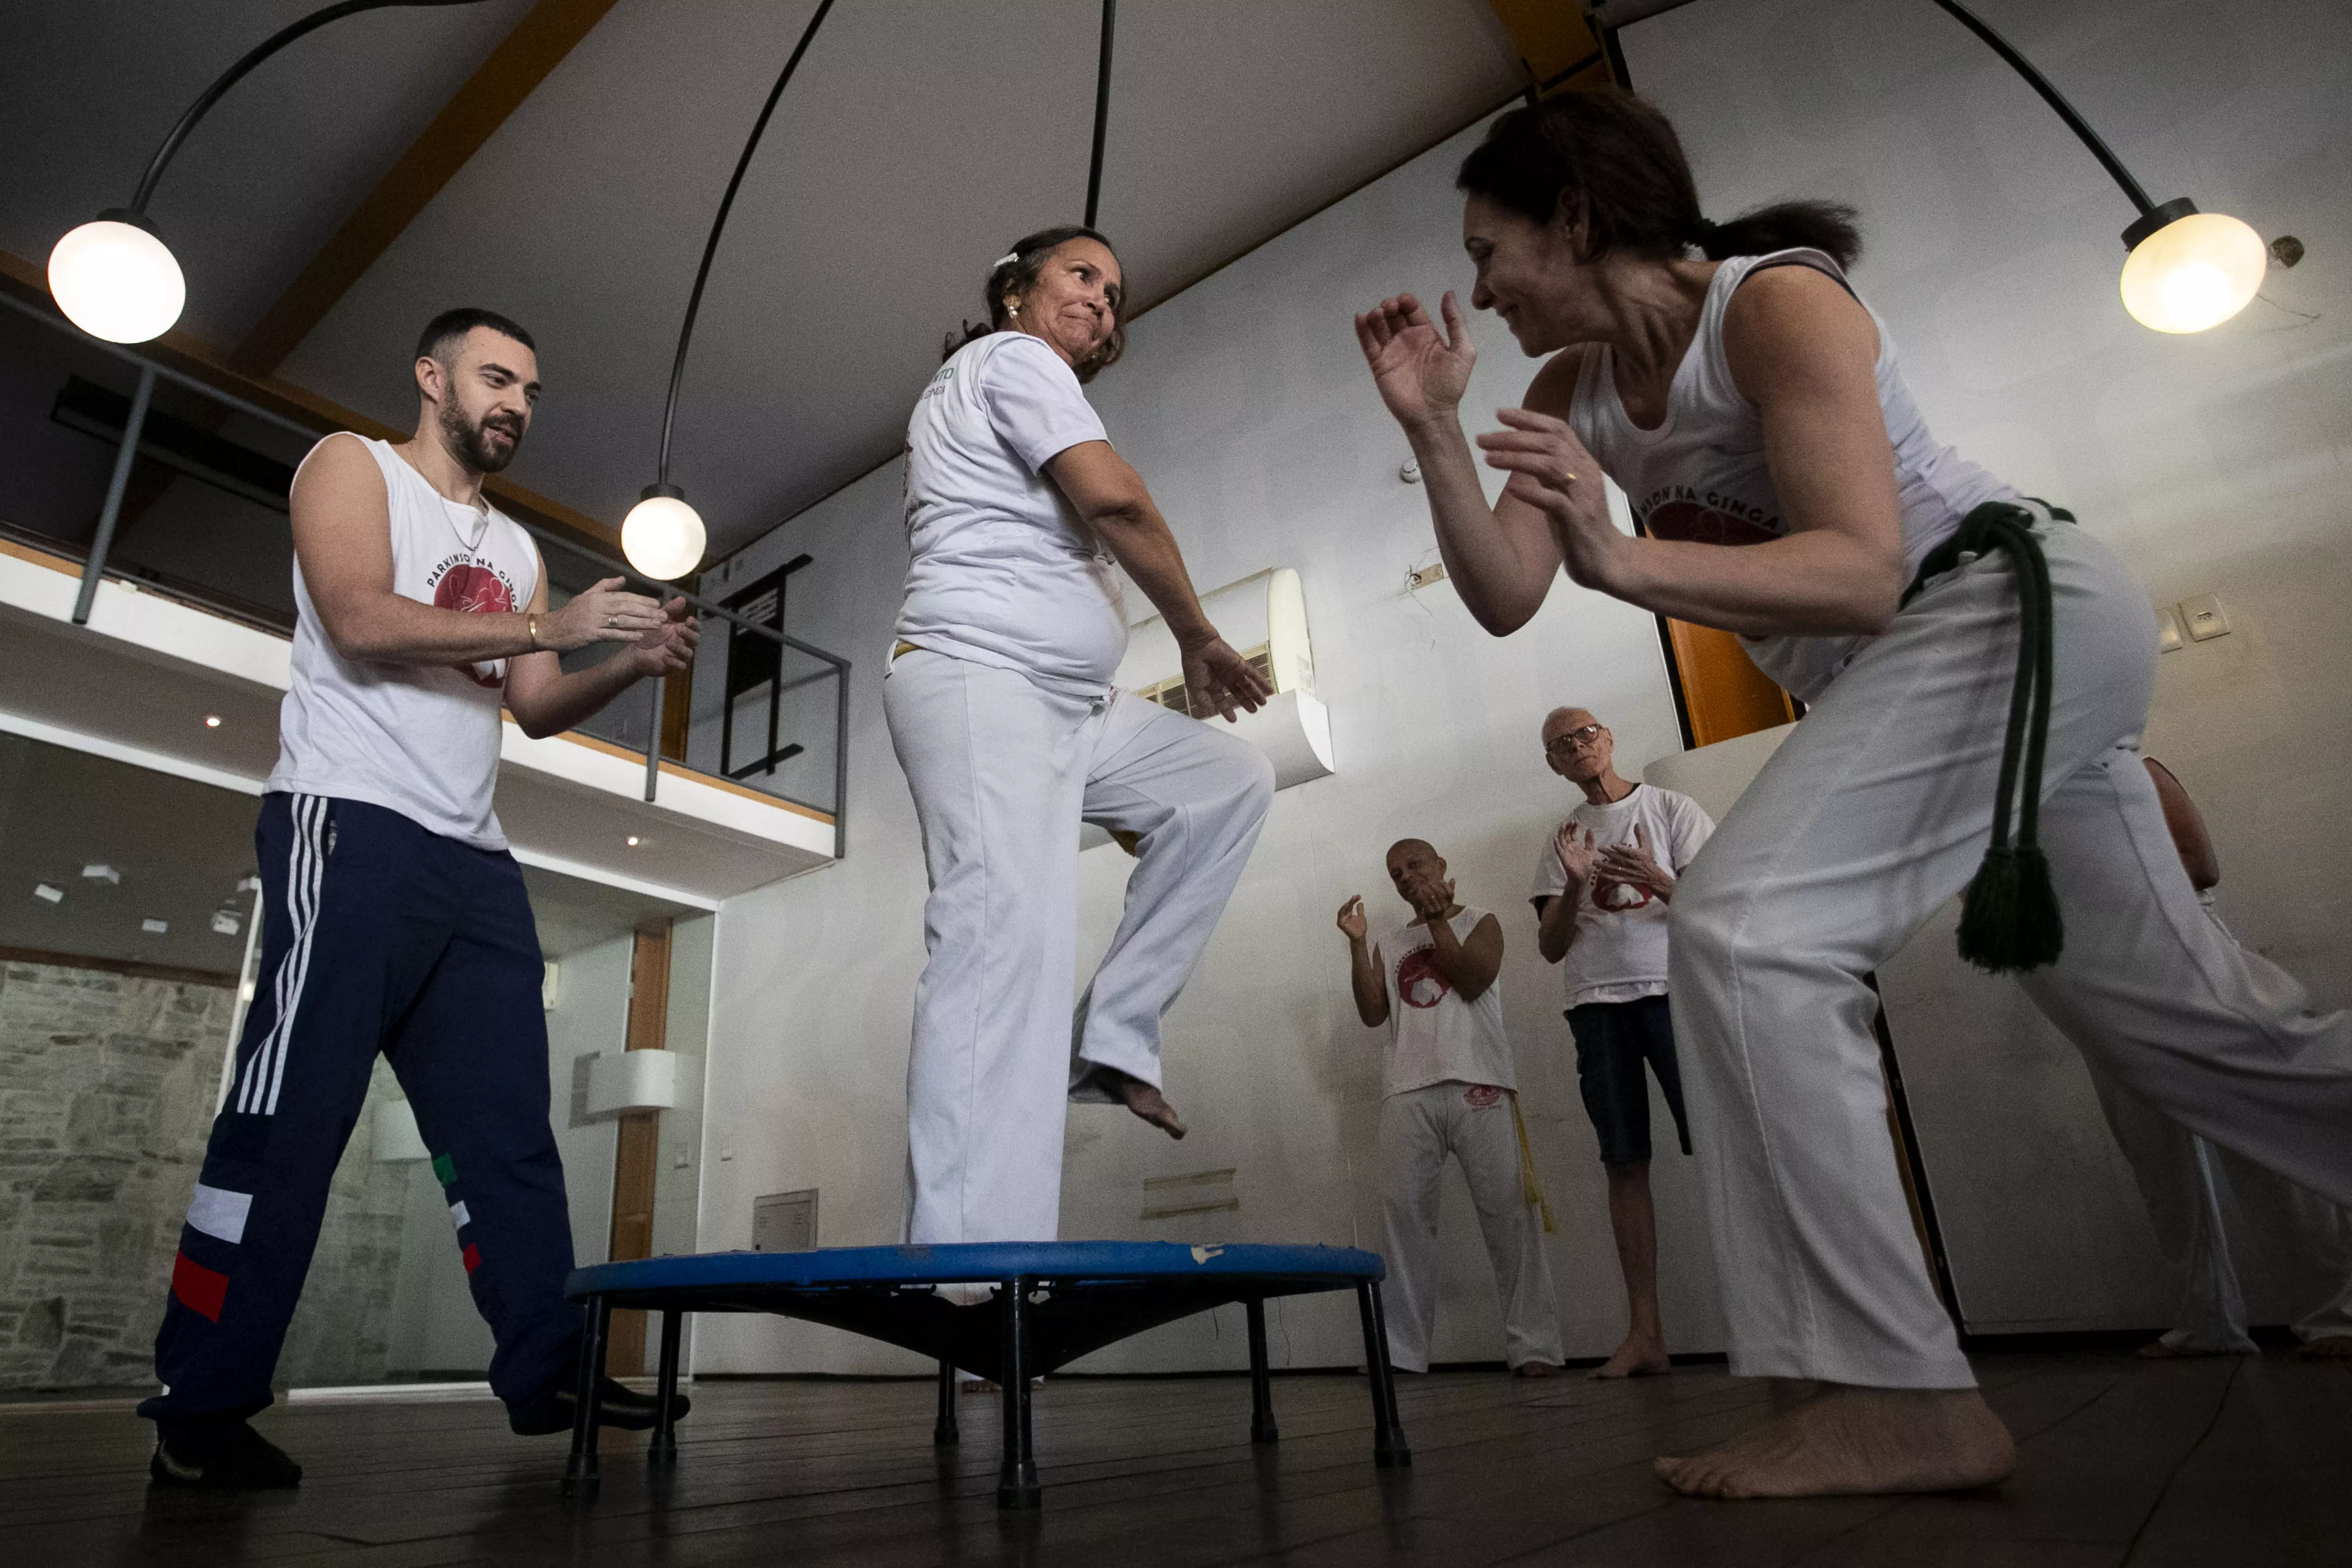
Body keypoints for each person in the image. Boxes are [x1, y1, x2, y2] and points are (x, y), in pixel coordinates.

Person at [1354, 88, 2352, 1499]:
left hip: (2001, 610)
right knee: (2185, 1035)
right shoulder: (1572, 391)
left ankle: (1895, 1395)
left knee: (1747, 931)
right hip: (1942, 669)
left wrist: (1625, 562)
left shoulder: (1770, 307)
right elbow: (1510, 593)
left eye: (1489, 248)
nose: (1475, 287)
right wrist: (1437, 433)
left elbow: (1860, 573)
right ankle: (1888, 1383)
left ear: (1574, 219)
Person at [142, 309, 699, 1488]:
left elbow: (534, 707)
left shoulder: (520, 546)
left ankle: (547, 1366)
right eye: (498, 378)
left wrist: (625, 665)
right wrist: (549, 622)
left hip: (473, 857)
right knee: (288, 1120)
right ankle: (202, 1400)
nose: (517, 405)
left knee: (506, 1135)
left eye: (533, 391)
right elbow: (356, 615)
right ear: (430, 374)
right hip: (346, 823)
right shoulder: (353, 465)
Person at [888, 226, 1276, 1246]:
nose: (1103, 302)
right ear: (1015, 290)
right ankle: (967, 1265)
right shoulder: (1008, 360)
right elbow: (1117, 499)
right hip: (985, 682)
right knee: (999, 945)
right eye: (1081, 276)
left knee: (1224, 780)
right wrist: (1195, 635)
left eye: (1113, 294)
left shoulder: (999, 386)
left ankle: (1114, 1037)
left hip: (1062, 701)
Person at [2087, 759, 2352, 1360]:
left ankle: (2338, 1316)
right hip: (2106, 986)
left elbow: (2201, 867)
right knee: (2161, 1169)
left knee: (2268, 1146)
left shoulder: (2131, 767)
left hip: (2184, 965)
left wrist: (2100, 895)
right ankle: (2206, 1324)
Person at [1529, 706, 1713, 1378]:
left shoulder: (1671, 808)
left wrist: (1658, 879)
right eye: (1562, 746)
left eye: (1586, 735)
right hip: (1597, 1006)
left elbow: (1719, 902)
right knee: (1624, 1163)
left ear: (1609, 738)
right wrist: (1577, 883)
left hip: (1675, 995)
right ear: (1554, 764)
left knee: (1721, 1146)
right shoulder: (1562, 838)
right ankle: (1646, 1336)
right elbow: (1551, 948)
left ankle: (1768, 1316)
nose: (1578, 748)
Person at [1339, 841, 1565, 1377]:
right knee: (1403, 1220)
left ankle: (1533, 1348)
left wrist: (1439, 922)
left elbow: (1471, 979)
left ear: (1440, 867)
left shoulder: (1481, 920)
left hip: (1479, 1083)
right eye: (1395, 872)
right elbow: (1373, 1014)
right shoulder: (1390, 942)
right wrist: (1358, 944)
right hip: (1407, 1089)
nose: (1404, 877)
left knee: (1511, 1217)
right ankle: (1399, 1354)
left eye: (1414, 865)